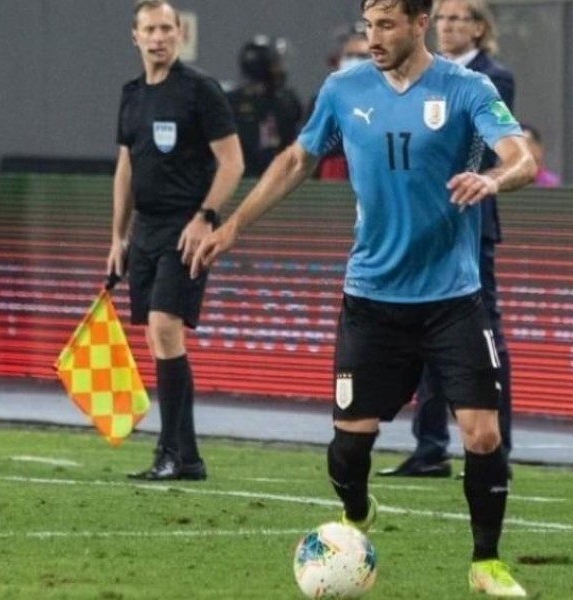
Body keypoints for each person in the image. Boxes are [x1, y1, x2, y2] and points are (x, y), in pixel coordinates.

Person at [192, 0, 535, 595]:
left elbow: (522, 157)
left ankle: (486, 562)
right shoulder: (343, 89)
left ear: (419, 22)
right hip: (373, 300)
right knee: (349, 450)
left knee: (482, 434)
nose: (373, 38)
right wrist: (235, 224)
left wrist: (493, 179)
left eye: (387, 26)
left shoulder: (466, 88)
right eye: (368, 26)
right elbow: (298, 158)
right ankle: (356, 514)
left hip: (453, 299)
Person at [108, 0, 244, 481]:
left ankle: (172, 452)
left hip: (186, 230)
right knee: (155, 334)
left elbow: (233, 163)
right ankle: (187, 457)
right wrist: (117, 237)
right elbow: (126, 168)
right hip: (144, 230)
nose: (160, 36)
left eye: (168, 28)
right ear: (136, 36)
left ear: (179, 34)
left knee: (166, 327)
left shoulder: (199, 90)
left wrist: (206, 217)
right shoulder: (131, 94)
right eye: (151, 29)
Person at [379, 0, 515, 479]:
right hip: (417, 226)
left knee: (483, 334)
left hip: (466, 224)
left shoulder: (489, 79)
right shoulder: (418, 76)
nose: (449, 26)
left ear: (479, 28)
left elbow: (485, 147)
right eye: (444, 17)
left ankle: (497, 444)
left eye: (460, 18)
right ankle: (430, 445)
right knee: (420, 328)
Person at [227, 35, 303, 177]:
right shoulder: (232, 103)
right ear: (261, 68)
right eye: (275, 64)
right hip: (242, 179)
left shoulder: (287, 101)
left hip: (280, 179)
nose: (281, 69)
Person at [313, 22, 370, 181]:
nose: (354, 61)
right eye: (349, 56)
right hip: (334, 182)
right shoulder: (323, 100)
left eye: (361, 57)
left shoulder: (391, 100)